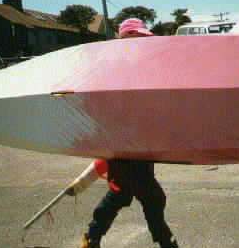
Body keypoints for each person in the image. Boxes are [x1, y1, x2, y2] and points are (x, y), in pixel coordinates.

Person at [67, 18, 179, 248]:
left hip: (140, 144)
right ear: (122, 40)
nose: (141, 44)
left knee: (120, 194)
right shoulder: (113, 68)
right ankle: (166, 242)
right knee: (153, 197)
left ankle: (91, 238)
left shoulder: (141, 67)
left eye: (143, 39)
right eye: (135, 39)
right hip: (123, 145)